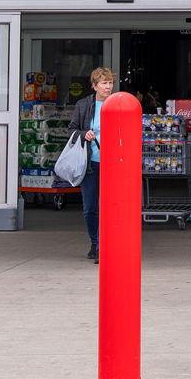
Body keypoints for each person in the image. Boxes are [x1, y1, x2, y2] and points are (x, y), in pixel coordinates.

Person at [71, 67, 117, 262]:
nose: (108, 87)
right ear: (94, 86)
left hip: (112, 164)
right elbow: (72, 129)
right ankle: (95, 241)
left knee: (110, 207)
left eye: (110, 83)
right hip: (90, 163)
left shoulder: (117, 104)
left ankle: (103, 246)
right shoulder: (83, 105)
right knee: (90, 207)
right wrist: (84, 134)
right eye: (104, 83)